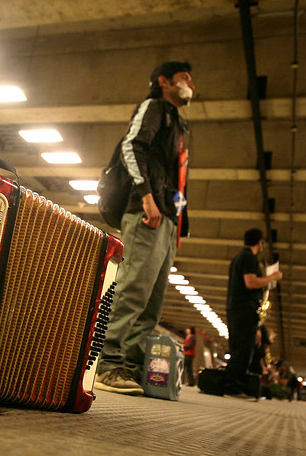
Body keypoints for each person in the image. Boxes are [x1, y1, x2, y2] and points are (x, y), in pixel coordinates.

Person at [95, 61, 195, 395]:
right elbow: (131, 147)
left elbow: (175, 174)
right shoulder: (154, 107)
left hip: (167, 217)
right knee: (132, 288)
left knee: (152, 300)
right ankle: (106, 363)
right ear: (163, 81)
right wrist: (147, 198)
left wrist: (179, 222)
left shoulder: (178, 122)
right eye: (183, 77)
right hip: (146, 210)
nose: (190, 83)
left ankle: (132, 365)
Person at [224, 228, 282, 399]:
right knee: (243, 348)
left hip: (235, 308)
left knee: (237, 347)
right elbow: (250, 282)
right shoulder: (249, 258)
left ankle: (230, 384)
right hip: (244, 309)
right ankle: (233, 387)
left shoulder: (238, 258)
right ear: (260, 243)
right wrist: (272, 278)